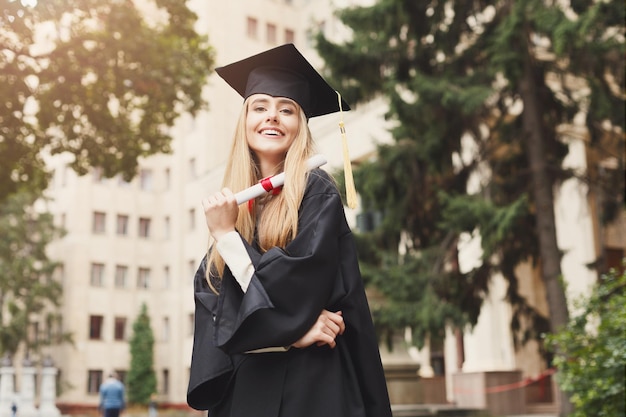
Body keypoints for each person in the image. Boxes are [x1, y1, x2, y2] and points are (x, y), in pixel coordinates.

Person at [186, 43, 392, 417]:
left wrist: (229, 238)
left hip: (311, 384)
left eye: (287, 109)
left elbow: (297, 289)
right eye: (260, 107)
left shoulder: (315, 190)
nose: (272, 117)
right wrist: (293, 331)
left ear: (301, 124)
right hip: (248, 389)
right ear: (245, 119)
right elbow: (214, 301)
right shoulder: (237, 206)